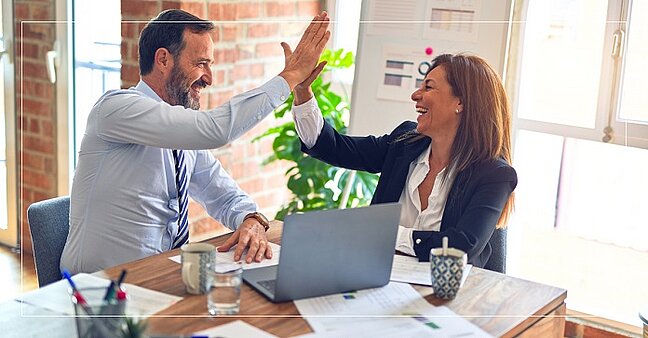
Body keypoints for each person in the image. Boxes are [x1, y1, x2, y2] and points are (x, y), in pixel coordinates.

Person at [61, 9, 330, 274]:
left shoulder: (180, 134)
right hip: (99, 290)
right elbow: (216, 130)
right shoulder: (116, 109)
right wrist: (291, 76)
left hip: (160, 278)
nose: (209, 78)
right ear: (164, 60)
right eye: (201, 63)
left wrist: (251, 219)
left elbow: (222, 194)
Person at [292, 53, 517, 268]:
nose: (415, 95)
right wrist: (303, 92)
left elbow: (461, 247)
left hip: (447, 295)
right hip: (378, 277)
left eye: (428, 87)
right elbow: (334, 147)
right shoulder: (405, 142)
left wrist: (386, 233)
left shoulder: (494, 174)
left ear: (461, 102)